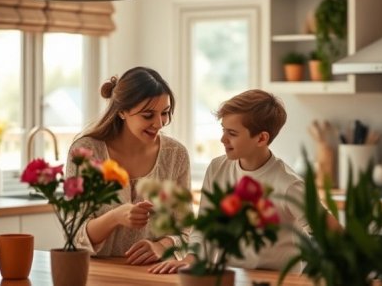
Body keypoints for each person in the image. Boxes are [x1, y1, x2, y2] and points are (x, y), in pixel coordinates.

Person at [148, 89, 341, 274]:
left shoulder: (288, 185)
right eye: (223, 130)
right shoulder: (217, 168)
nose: (222, 139)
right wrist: (191, 259)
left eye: (232, 133)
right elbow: (204, 228)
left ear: (261, 138)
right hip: (229, 277)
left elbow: (333, 233)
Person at [66, 66, 191, 266]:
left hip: (154, 274)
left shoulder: (176, 155)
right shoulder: (85, 153)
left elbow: (187, 232)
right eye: (148, 115)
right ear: (122, 111)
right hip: (97, 274)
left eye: (165, 113)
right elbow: (74, 235)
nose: (159, 123)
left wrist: (161, 247)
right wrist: (116, 216)